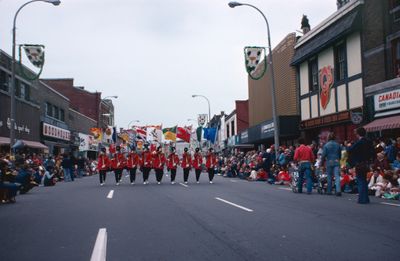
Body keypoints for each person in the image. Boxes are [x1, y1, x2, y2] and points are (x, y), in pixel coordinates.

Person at [347, 127, 375, 204]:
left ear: (358, 134)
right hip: (367, 163)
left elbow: (350, 150)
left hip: (359, 163)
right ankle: (366, 198)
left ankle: (362, 199)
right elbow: (373, 152)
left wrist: (348, 146)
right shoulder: (369, 141)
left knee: (361, 180)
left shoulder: (359, 142)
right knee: (364, 180)